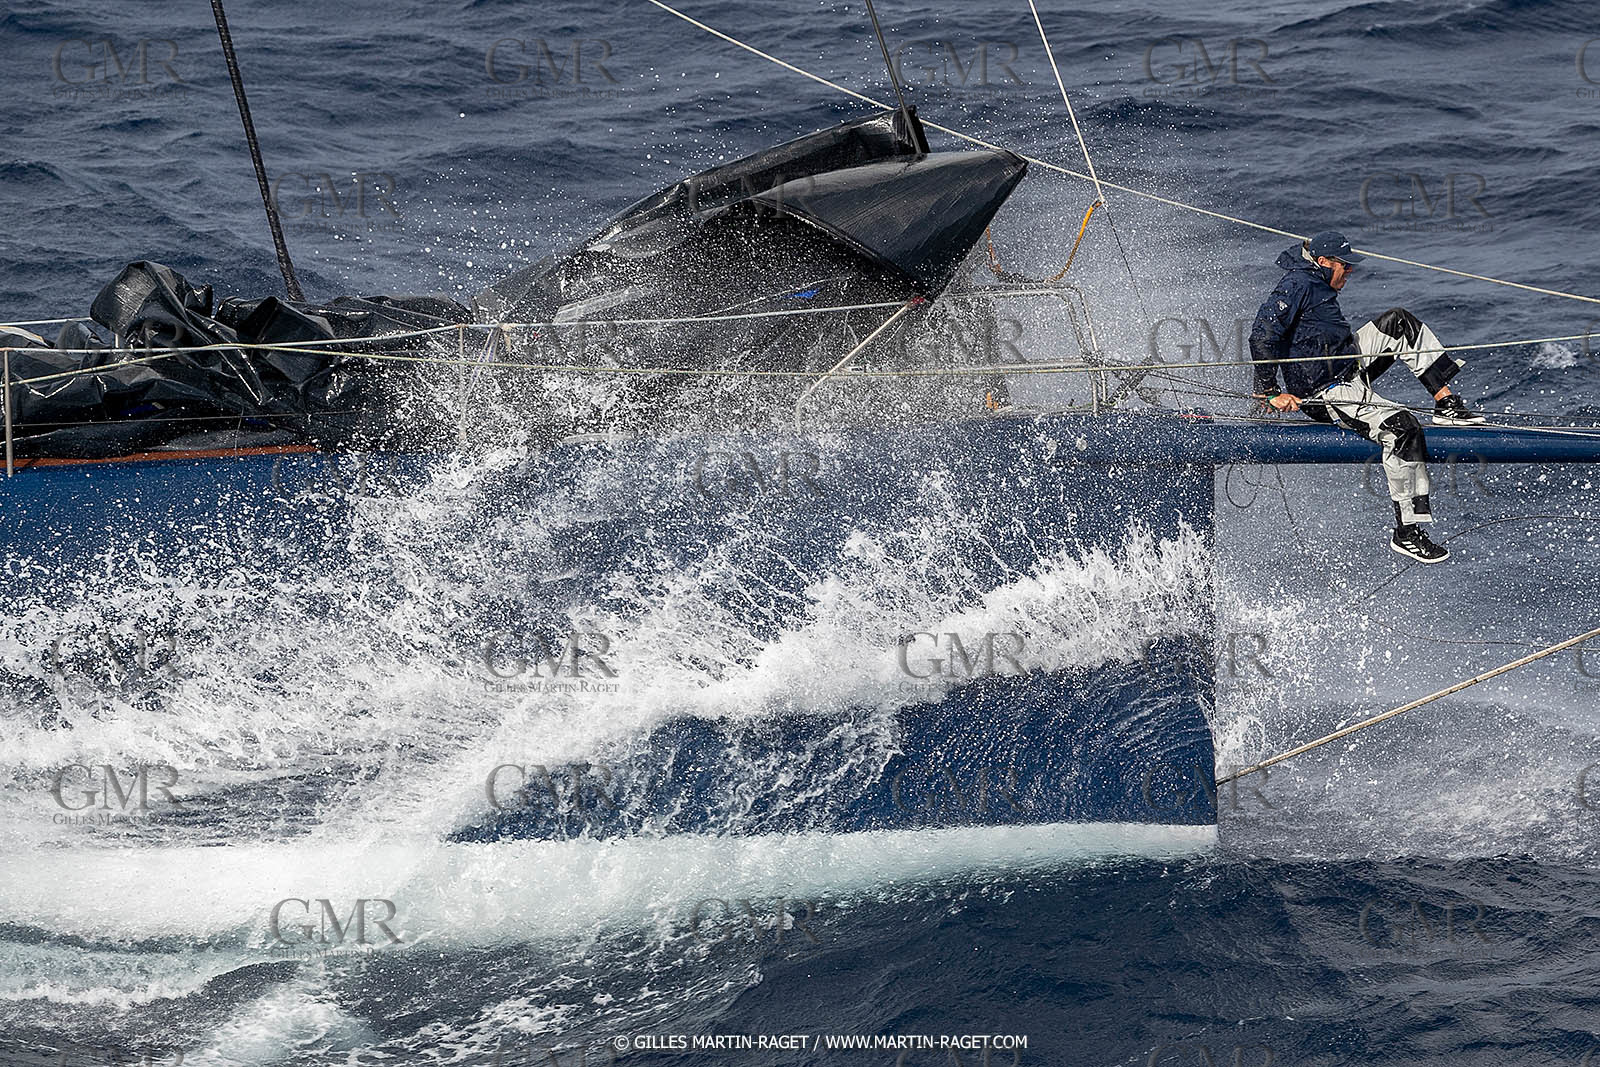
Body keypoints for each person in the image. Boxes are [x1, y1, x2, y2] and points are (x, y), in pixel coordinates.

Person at [1249, 230, 1484, 564]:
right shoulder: (1297, 284)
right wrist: (1269, 391)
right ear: (1323, 262)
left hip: (1347, 364)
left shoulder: (1317, 280)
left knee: (1399, 322)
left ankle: (1446, 402)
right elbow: (1262, 333)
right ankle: (1407, 532)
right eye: (1344, 265)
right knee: (1403, 429)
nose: (1350, 271)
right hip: (1325, 391)